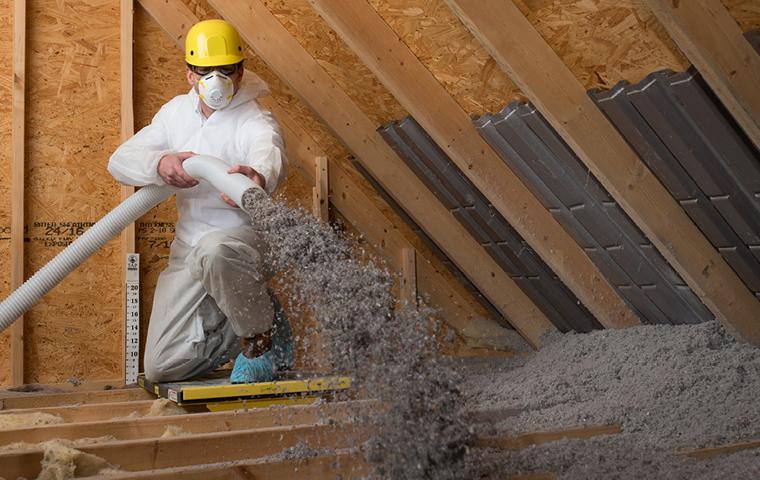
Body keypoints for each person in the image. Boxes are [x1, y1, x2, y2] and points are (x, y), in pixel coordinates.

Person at [108, 19, 293, 384]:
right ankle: (261, 312)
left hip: (242, 245)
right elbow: (120, 161)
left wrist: (256, 178)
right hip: (188, 251)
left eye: (226, 70)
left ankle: (260, 340)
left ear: (241, 71)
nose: (216, 80)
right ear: (190, 74)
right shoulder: (175, 113)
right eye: (206, 71)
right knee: (163, 366)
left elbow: (268, 154)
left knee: (216, 249)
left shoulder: (254, 119)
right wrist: (159, 163)